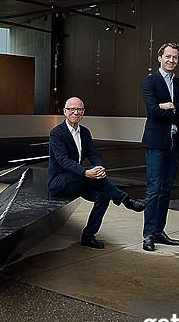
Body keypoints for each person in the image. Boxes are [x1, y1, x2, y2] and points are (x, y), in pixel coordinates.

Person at [48, 97, 145, 248]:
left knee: (104, 196)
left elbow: (93, 154)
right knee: (86, 174)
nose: (75, 112)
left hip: (79, 181)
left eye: (79, 109)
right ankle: (125, 200)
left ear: (83, 113)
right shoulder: (57, 133)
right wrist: (86, 173)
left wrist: (99, 167)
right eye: (72, 109)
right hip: (60, 182)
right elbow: (63, 161)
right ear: (65, 112)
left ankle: (88, 236)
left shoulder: (85, 132)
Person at [140, 42, 179, 252]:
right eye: (168, 56)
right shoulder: (150, 81)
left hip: (174, 143)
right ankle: (148, 234)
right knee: (154, 188)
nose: (171, 60)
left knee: (166, 188)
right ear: (159, 58)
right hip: (156, 142)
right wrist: (176, 108)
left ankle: (159, 231)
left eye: (175, 57)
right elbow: (154, 111)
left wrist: (172, 105)